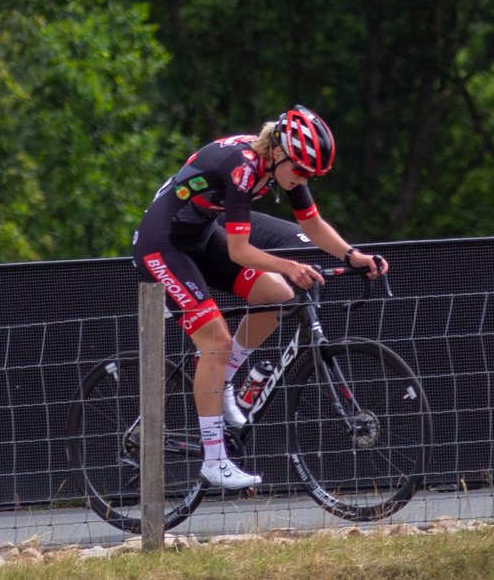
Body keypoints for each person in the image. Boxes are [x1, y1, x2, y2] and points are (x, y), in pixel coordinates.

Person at [131, 108, 389, 493]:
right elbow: (239, 251)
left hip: (199, 237)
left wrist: (353, 256)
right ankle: (214, 460)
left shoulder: (281, 163)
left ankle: (227, 380)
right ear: (281, 152)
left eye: (310, 175)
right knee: (214, 340)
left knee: (279, 296)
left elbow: (313, 224)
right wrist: (289, 265)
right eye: (300, 171)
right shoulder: (244, 166)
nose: (302, 180)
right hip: (161, 245)